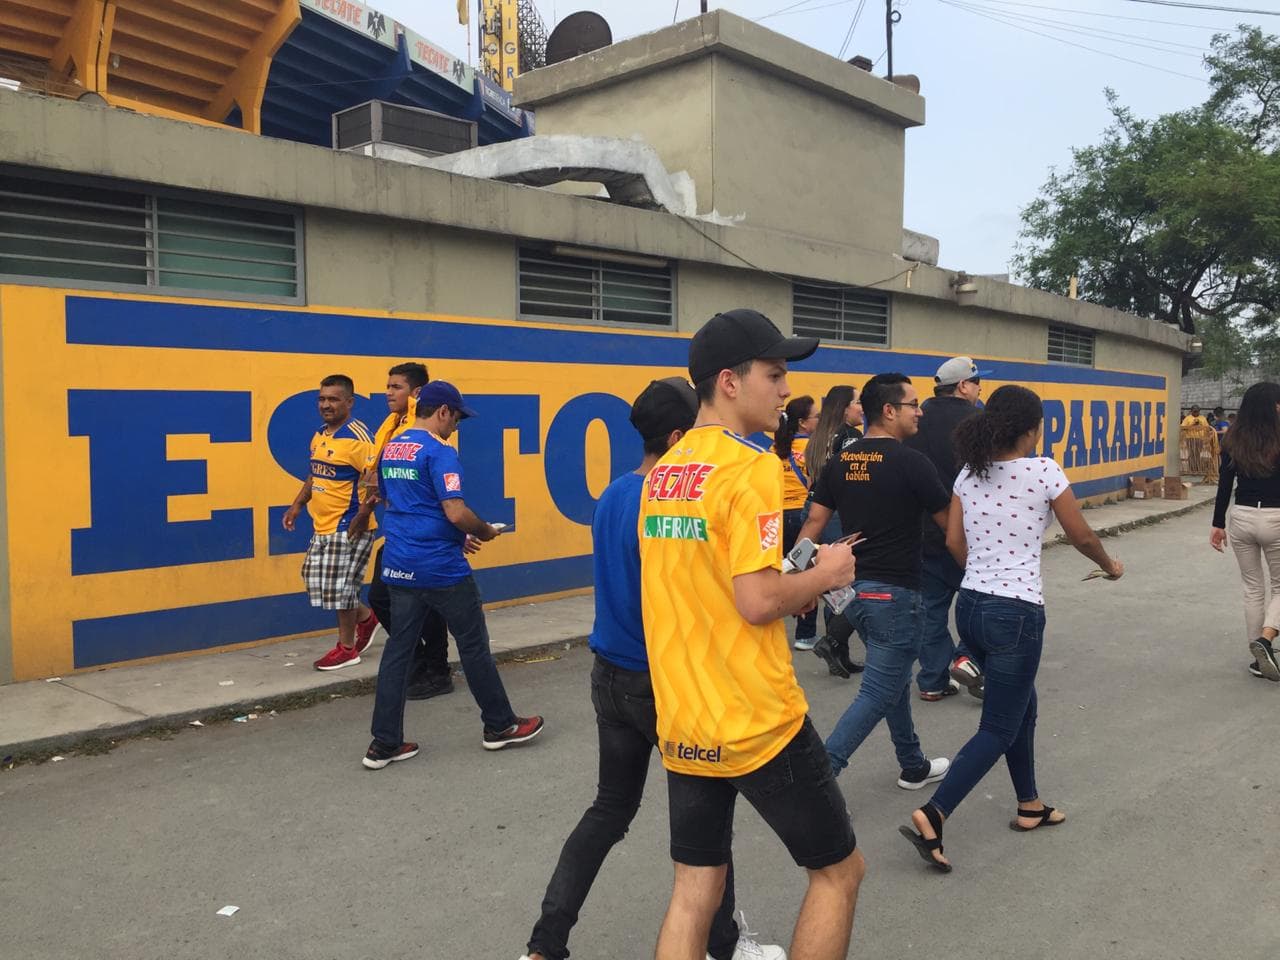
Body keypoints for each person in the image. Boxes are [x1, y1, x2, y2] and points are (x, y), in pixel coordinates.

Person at [519, 377, 783, 960]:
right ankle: (726, 946)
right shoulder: (671, 496)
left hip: (607, 673)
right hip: (664, 680)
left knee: (608, 811)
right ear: (677, 435)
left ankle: (545, 943)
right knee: (707, 825)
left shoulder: (615, 493)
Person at [640, 309, 864, 960]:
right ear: (729, 383)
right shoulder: (753, 467)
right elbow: (759, 599)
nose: (787, 388)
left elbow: (709, 578)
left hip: (684, 719)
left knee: (695, 888)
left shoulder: (666, 472)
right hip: (754, 717)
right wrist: (825, 573)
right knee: (838, 874)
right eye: (775, 373)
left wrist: (796, 567)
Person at [899, 385, 1123, 872]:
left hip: (972, 605)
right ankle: (934, 814)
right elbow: (1080, 533)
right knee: (998, 725)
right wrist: (1109, 564)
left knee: (1023, 706)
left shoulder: (968, 473)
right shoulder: (1044, 471)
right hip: (1015, 611)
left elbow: (955, 541)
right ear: (1030, 429)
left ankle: (1029, 805)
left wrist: (981, 574)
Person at [363, 381, 543, 768]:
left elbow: (392, 498)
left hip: (398, 562)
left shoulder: (392, 447)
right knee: (474, 646)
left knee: (397, 654)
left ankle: (383, 744)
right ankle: (500, 726)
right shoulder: (440, 452)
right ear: (442, 412)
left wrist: (452, 533)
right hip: (441, 568)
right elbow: (455, 511)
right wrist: (483, 531)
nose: (456, 426)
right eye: (456, 417)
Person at [800, 373, 952, 791]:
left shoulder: (840, 460)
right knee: (877, 692)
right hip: (896, 595)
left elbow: (814, 523)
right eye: (913, 404)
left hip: (851, 596)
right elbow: (950, 525)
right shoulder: (912, 463)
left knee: (893, 681)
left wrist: (797, 577)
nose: (920, 412)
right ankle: (821, 780)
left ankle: (913, 763)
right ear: (888, 411)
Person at [364, 362, 455, 700]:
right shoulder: (391, 427)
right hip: (398, 528)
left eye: (396, 387)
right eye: (387, 386)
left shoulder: (428, 432)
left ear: (417, 394)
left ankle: (437, 669)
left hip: (424, 531)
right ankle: (419, 660)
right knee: (380, 597)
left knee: (430, 602)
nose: (388, 393)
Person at [904, 356, 988, 702]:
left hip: (925, 531)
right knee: (980, 603)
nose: (981, 389)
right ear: (964, 386)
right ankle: (967, 658)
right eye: (978, 382)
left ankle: (932, 681)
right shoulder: (979, 421)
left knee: (933, 609)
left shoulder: (915, 420)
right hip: (973, 532)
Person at [282, 375, 380, 670]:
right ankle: (367, 618)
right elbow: (315, 474)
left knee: (340, 590)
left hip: (348, 526)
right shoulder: (320, 435)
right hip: (322, 525)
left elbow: (377, 478)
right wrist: (298, 504)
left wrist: (363, 514)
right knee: (320, 584)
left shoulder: (359, 438)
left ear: (349, 402)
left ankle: (347, 648)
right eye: (322, 399)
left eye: (333, 399)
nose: (326, 405)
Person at [1209, 382, 1280, 681]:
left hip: (1242, 517)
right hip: (1277, 517)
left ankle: (1259, 658)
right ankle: (1265, 639)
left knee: (1253, 588)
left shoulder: (1232, 440)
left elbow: (1224, 485)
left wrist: (1217, 524)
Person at [802, 385, 864, 675]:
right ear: (843, 407)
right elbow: (852, 476)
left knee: (829, 581)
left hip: (813, 506)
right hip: (836, 512)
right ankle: (834, 643)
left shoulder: (817, 436)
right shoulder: (851, 437)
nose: (861, 407)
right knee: (843, 580)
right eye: (856, 402)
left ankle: (838, 650)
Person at [777, 395, 819, 646]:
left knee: (781, 574)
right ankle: (805, 635)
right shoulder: (811, 448)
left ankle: (776, 626)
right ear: (803, 422)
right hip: (801, 518)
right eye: (817, 417)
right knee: (805, 572)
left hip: (778, 517)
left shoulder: (776, 448)